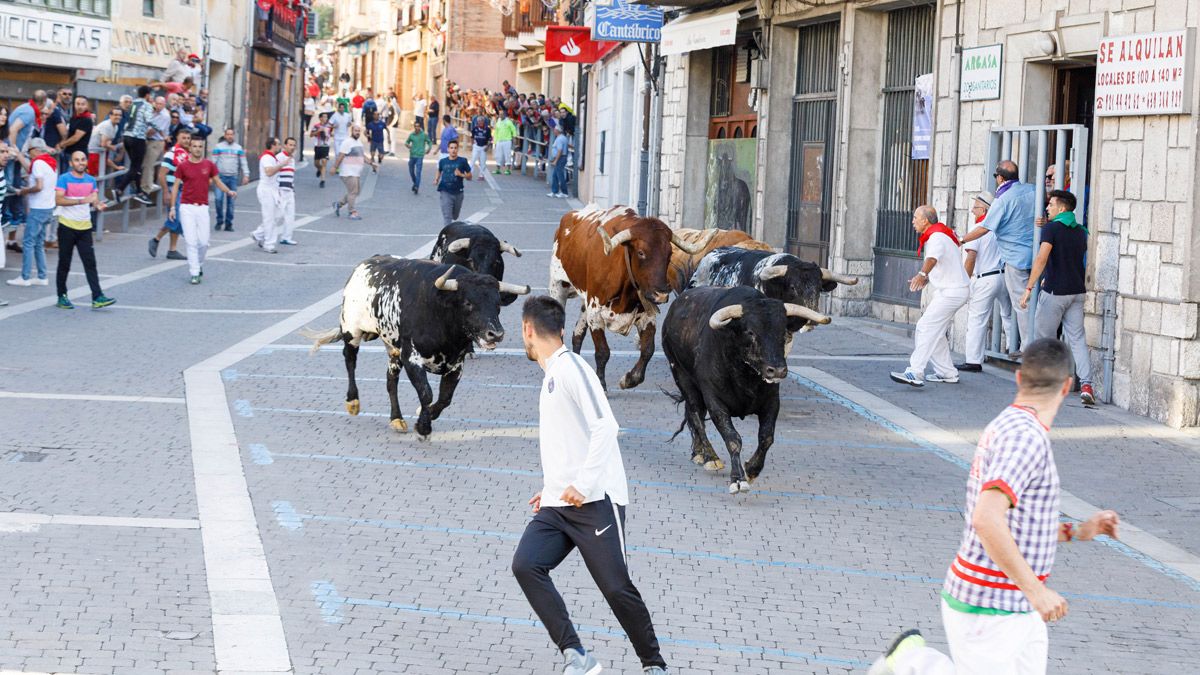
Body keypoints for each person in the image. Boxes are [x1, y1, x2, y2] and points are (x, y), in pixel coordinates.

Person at [870, 338, 1121, 675]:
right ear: (1067, 387)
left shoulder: (1015, 427)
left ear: (1019, 380)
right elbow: (987, 519)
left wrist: (1081, 531)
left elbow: (1023, 524)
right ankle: (912, 661)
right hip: (988, 606)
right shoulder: (1024, 437)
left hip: (1017, 606)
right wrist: (1037, 591)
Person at [512, 296, 670, 675]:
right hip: (559, 505)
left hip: (597, 501)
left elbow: (605, 427)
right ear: (563, 329)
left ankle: (654, 664)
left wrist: (581, 485)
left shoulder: (571, 369)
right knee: (526, 565)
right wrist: (552, 489)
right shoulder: (552, 375)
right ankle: (577, 656)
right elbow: (570, 440)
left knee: (616, 588)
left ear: (528, 330)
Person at [1020, 189, 1095, 405]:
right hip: (1077, 292)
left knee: (1045, 339)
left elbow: (1042, 258)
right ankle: (1087, 384)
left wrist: (1029, 287)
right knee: (1078, 339)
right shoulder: (1081, 231)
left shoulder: (1052, 229)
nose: (1047, 207)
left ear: (1062, 208)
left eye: (1051, 204)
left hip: (1055, 293)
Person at [959, 160, 1037, 351]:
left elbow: (984, 230)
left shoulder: (1002, 201)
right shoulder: (1033, 190)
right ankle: (1016, 346)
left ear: (1000, 177)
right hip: (1036, 255)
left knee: (1021, 307)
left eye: (976, 207)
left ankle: (1028, 350)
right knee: (1026, 307)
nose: (972, 210)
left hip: (1015, 260)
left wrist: (961, 239)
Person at [890, 205, 969, 387]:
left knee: (925, 327)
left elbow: (932, 259)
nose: (913, 221)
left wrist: (923, 275)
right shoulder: (939, 234)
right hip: (952, 290)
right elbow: (941, 263)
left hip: (952, 292)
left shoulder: (936, 237)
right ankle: (947, 373)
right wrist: (927, 278)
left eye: (916, 217)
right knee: (936, 332)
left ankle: (915, 372)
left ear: (925, 220)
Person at [957, 191, 1016, 373]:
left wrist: (964, 283)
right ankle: (1012, 348)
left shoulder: (979, 228)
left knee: (977, 319)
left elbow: (971, 258)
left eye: (975, 207)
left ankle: (973, 360)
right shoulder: (1001, 226)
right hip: (1003, 275)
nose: (973, 211)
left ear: (983, 208)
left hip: (985, 278)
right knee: (1008, 314)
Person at [53, 150, 114, 309]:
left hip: (85, 228)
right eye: (77, 160)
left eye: (83, 160)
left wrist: (98, 205)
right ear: (71, 163)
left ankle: (97, 296)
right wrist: (81, 201)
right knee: (64, 263)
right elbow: (58, 200)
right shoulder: (64, 178)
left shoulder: (91, 180)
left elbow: (94, 199)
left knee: (90, 263)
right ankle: (62, 296)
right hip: (67, 226)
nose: (80, 162)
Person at [170, 137, 236, 285]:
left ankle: (199, 265)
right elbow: (175, 187)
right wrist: (173, 207)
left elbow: (218, 181)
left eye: (200, 146)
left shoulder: (209, 165)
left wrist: (229, 191)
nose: (197, 149)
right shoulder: (183, 166)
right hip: (186, 207)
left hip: (202, 207)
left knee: (204, 242)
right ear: (190, 148)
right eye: (194, 146)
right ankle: (194, 272)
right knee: (191, 241)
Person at [6, 139, 57, 287]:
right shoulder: (50, 162)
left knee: (28, 242)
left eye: (29, 152)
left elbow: (39, 186)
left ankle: (25, 277)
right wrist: (20, 156)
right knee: (39, 243)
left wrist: (25, 191)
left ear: (35, 150)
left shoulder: (38, 163)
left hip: (38, 208)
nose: (29, 155)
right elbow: (31, 169)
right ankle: (42, 276)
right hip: (48, 207)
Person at [149, 126, 192, 260]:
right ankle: (156, 239)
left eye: (188, 138)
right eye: (183, 138)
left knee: (177, 220)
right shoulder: (171, 154)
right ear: (177, 138)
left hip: (184, 191)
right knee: (176, 218)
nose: (186, 140)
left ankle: (172, 250)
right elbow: (162, 174)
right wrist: (166, 192)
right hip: (173, 190)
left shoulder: (187, 155)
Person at [109, 85, 156, 206]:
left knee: (136, 167)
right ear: (147, 95)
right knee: (135, 167)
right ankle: (119, 189)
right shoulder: (147, 105)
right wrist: (159, 128)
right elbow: (149, 120)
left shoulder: (132, 104)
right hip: (138, 138)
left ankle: (139, 192)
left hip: (127, 137)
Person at [212, 128, 250, 232]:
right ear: (225, 135)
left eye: (231, 134)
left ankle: (228, 223)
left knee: (231, 203)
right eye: (228, 134)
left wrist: (246, 175)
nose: (229, 136)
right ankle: (219, 220)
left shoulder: (238, 148)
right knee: (218, 199)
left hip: (233, 178)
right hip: (220, 178)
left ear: (234, 136)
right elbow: (213, 162)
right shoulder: (218, 147)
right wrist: (211, 176)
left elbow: (243, 162)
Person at [332, 125, 372, 220]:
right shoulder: (347, 142)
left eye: (359, 131)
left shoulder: (358, 142)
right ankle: (352, 212)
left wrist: (371, 163)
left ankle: (338, 204)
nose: (357, 132)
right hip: (348, 172)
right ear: (351, 131)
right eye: (355, 130)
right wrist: (334, 167)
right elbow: (341, 156)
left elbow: (362, 155)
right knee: (353, 192)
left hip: (356, 172)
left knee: (355, 192)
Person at [253, 138, 284, 253]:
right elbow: (269, 172)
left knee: (278, 215)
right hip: (266, 190)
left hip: (273, 189)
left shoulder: (272, 158)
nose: (280, 146)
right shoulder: (267, 158)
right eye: (278, 144)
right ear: (272, 145)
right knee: (269, 217)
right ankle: (269, 244)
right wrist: (281, 165)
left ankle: (258, 234)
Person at [435, 139, 471, 226]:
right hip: (445, 191)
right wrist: (436, 179)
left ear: (458, 149)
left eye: (455, 148)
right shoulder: (442, 161)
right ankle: (448, 236)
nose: (453, 150)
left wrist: (461, 175)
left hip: (458, 192)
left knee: (455, 216)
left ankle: (453, 217)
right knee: (447, 217)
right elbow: (439, 170)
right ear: (448, 149)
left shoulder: (462, 161)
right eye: (451, 148)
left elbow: (470, 177)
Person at [87, 107, 123, 177]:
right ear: (110, 116)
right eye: (115, 115)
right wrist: (112, 147)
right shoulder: (107, 125)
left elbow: (106, 146)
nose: (118, 117)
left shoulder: (116, 127)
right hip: (93, 153)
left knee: (98, 177)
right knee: (93, 178)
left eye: (120, 115)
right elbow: (103, 144)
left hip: (100, 154)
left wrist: (117, 167)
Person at [276, 137, 298, 246]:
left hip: (289, 190)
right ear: (285, 145)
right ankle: (260, 235)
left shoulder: (292, 159)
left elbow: (291, 175)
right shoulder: (279, 157)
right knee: (277, 215)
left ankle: (286, 237)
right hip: (280, 190)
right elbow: (274, 172)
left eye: (294, 145)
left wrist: (292, 189)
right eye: (290, 145)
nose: (292, 147)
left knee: (290, 215)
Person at [405, 120, 431, 195]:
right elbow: (407, 142)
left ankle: (416, 187)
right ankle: (415, 183)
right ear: (414, 127)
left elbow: (429, 142)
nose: (417, 128)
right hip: (412, 155)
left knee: (418, 172)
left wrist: (428, 148)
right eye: (415, 126)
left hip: (420, 155)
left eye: (418, 126)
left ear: (420, 127)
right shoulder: (411, 135)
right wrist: (408, 145)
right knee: (411, 171)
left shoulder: (424, 135)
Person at [310, 111, 333, 188]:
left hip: (325, 146)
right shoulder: (316, 126)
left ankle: (322, 180)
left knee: (324, 162)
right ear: (320, 118)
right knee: (316, 163)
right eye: (323, 117)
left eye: (326, 117)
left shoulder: (329, 126)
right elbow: (311, 135)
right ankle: (319, 169)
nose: (325, 118)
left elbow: (332, 132)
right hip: (318, 146)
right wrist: (318, 131)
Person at [547, 126, 570, 199]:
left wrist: (555, 160)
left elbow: (560, 150)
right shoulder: (563, 138)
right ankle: (554, 191)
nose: (554, 131)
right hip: (561, 158)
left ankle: (564, 192)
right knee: (555, 175)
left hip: (560, 158)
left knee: (560, 176)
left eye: (555, 129)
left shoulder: (559, 139)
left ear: (557, 131)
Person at [492, 109, 517, 175]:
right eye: (500, 114)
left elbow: (513, 129)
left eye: (502, 114)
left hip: (507, 141)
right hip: (499, 141)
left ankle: (508, 170)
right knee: (498, 155)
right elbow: (496, 132)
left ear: (505, 115)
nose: (501, 115)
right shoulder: (498, 121)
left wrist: (514, 137)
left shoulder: (508, 121)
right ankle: (498, 169)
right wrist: (495, 141)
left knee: (507, 155)